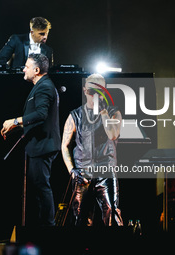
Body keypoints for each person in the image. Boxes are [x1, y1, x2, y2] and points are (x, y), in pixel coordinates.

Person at [0, 53, 60, 226]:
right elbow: (37, 118)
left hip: (43, 146)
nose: (23, 69)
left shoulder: (45, 87)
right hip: (39, 145)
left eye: (26, 66)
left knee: (42, 188)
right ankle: (43, 227)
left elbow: (41, 114)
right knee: (38, 189)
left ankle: (48, 228)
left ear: (36, 70)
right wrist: (16, 126)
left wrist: (16, 120)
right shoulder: (41, 86)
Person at [61, 73, 123, 226]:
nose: (95, 95)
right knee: (79, 216)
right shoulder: (75, 115)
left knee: (111, 213)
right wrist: (71, 170)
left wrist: (103, 112)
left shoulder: (113, 112)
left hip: (106, 171)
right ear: (84, 90)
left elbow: (113, 135)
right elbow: (64, 145)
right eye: (91, 91)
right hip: (83, 173)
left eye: (99, 91)